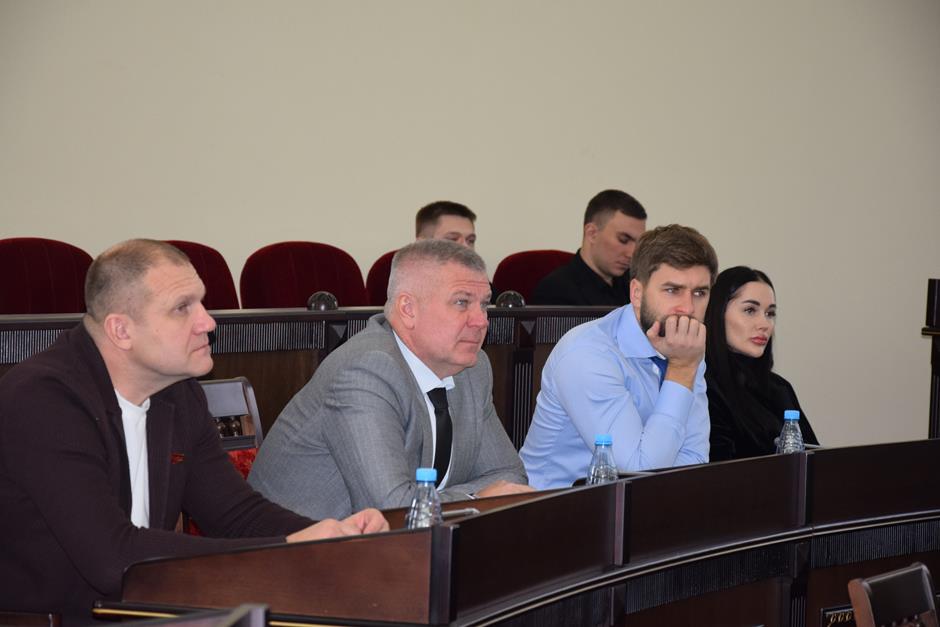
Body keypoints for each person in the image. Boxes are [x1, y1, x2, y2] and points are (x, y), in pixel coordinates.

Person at [0, 240, 388, 625]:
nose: (208, 322)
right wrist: (285, 549)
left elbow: (235, 515)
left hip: (142, 611)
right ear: (121, 330)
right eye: (182, 308)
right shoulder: (43, 399)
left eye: (201, 303)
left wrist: (334, 539)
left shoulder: (177, 394)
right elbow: (112, 557)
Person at [249, 239, 532, 520]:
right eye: (462, 302)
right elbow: (391, 509)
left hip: (396, 541)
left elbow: (509, 476)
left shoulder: (473, 369)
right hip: (295, 542)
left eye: (483, 304)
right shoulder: (366, 371)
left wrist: (465, 497)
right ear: (408, 309)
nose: (481, 321)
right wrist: (476, 498)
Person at [521, 224, 717, 489]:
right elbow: (636, 472)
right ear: (637, 293)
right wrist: (681, 370)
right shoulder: (587, 353)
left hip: (636, 505)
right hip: (552, 506)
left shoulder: (684, 347)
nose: (688, 308)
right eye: (672, 290)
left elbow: (694, 458)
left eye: (700, 293)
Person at [703, 266, 819, 461]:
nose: (764, 324)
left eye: (770, 313)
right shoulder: (703, 386)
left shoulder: (780, 388)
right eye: (750, 310)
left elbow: (816, 462)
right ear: (718, 312)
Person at [531, 189, 647, 306]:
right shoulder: (555, 291)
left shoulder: (635, 285)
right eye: (623, 240)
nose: (632, 254)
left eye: (638, 243)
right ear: (592, 233)